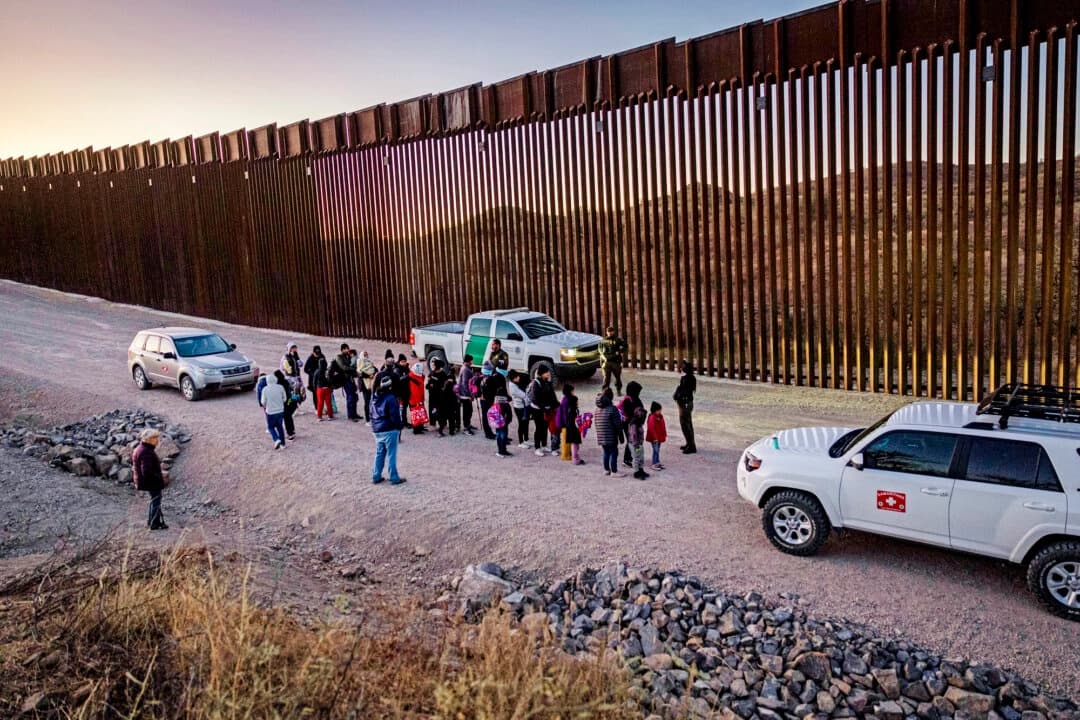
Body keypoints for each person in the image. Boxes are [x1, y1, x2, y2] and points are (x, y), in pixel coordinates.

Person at [370, 375, 406, 485]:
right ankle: (394, 477)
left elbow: (371, 413)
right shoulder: (391, 398)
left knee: (380, 453)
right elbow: (395, 416)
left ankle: (376, 476)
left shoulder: (374, 397)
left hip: (376, 429)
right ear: (390, 386)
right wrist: (399, 426)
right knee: (391, 454)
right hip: (389, 429)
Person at [132, 428, 168, 530]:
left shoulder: (141, 448)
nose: (157, 441)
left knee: (154, 500)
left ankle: (152, 521)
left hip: (145, 481)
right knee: (156, 501)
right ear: (149, 439)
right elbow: (147, 471)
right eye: (155, 438)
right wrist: (158, 478)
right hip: (150, 482)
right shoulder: (146, 451)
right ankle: (154, 523)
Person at [526, 363, 557, 456]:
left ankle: (544, 445)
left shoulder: (547, 382)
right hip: (537, 409)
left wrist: (555, 404)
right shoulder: (536, 383)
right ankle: (537, 447)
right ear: (541, 373)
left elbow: (552, 395)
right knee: (539, 428)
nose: (548, 374)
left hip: (546, 409)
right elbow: (536, 399)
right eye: (546, 372)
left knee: (545, 427)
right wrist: (544, 408)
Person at [594, 389, 621, 477]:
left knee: (606, 452)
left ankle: (606, 470)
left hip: (601, 435)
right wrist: (620, 435)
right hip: (611, 435)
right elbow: (617, 424)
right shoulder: (612, 409)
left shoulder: (597, 409)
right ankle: (614, 471)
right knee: (614, 452)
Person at [556, 384, 584, 465]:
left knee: (571, 441)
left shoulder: (565, 400)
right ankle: (568, 456)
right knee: (571, 442)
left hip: (567, 424)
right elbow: (565, 415)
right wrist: (566, 424)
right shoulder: (568, 402)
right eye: (572, 390)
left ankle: (571, 456)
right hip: (568, 424)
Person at [332, 343, 360, 422]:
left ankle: (354, 413)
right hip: (345, 380)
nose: (348, 350)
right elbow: (343, 367)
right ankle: (351, 415)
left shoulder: (348, 356)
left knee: (354, 397)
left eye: (348, 348)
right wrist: (353, 369)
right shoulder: (339, 357)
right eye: (346, 349)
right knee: (350, 397)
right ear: (343, 349)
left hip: (351, 379)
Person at [674, 360, 697, 454]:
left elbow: (684, 392)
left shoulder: (686, 379)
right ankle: (690, 443)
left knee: (685, 425)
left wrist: (677, 396)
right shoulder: (691, 378)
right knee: (688, 424)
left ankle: (691, 446)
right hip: (688, 403)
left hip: (685, 404)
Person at [427, 358, 454, 436]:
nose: (433, 366)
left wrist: (433, 386)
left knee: (440, 411)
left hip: (439, 397)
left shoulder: (442, 375)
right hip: (433, 396)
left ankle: (441, 425)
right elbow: (428, 385)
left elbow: (443, 386)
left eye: (434, 365)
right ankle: (434, 424)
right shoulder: (432, 374)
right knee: (433, 410)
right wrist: (430, 385)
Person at [479, 361, 507, 440]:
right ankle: (488, 433)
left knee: (486, 416)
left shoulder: (483, 377)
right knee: (486, 416)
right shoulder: (488, 379)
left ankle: (489, 433)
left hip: (485, 400)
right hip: (486, 400)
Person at [261, 370, 288, 449]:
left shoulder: (265, 389)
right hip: (280, 410)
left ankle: (276, 439)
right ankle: (283, 444)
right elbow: (285, 399)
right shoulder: (280, 387)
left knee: (271, 427)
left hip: (270, 411)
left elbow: (263, 402)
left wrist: (266, 406)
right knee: (280, 427)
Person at [599, 325, 628, 396]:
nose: (610, 333)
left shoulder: (618, 340)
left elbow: (625, 346)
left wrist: (619, 352)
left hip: (616, 361)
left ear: (614, 332)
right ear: (606, 332)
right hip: (607, 362)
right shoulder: (603, 340)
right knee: (606, 378)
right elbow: (600, 350)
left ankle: (618, 390)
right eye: (608, 332)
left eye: (611, 331)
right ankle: (604, 392)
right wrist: (603, 360)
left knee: (617, 378)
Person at [507, 369, 530, 448]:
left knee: (526, 423)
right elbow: (524, 395)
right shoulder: (512, 387)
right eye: (517, 377)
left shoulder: (515, 383)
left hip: (524, 406)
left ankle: (526, 439)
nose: (519, 378)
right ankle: (521, 442)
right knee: (522, 424)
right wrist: (528, 390)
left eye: (518, 376)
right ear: (513, 378)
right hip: (519, 408)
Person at [457, 354, 477, 435]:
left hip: (465, 394)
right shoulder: (465, 369)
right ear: (468, 361)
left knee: (469, 410)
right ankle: (466, 428)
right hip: (465, 395)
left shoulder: (466, 368)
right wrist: (470, 395)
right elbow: (465, 383)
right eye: (471, 360)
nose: (472, 362)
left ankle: (468, 424)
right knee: (467, 411)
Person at [356, 350, 377, 424]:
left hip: (371, 384)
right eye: (364, 354)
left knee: (371, 401)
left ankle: (372, 417)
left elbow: (375, 369)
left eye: (366, 354)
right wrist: (368, 376)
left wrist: (373, 374)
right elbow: (360, 373)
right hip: (364, 385)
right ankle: (368, 419)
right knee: (367, 402)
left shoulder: (369, 361)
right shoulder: (360, 361)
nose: (366, 355)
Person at [646, 401, 667, 470]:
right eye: (659, 410)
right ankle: (654, 463)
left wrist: (664, 434)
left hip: (659, 437)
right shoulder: (652, 417)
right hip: (654, 438)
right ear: (655, 410)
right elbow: (651, 428)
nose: (660, 411)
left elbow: (663, 426)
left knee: (658, 450)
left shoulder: (660, 417)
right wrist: (655, 438)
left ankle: (657, 462)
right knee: (656, 450)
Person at [277, 371, 298, 441]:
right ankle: (292, 431)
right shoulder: (286, 382)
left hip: (286, 403)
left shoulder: (279, 385)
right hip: (291, 401)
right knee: (289, 417)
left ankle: (290, 434)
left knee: (287, 418)